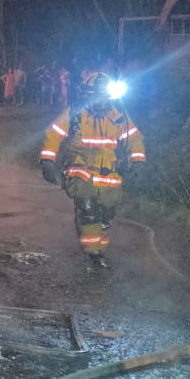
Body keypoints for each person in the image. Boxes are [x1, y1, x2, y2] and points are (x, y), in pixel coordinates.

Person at [40, 70, 145, 268]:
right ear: (87, 95)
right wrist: (47, 160)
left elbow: (134, 138)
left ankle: (95, 242)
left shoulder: (119, 115)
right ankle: (95, 255)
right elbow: (53, 133)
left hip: (109, 174)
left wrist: (137, 161)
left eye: (103, 96)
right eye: (95, 95)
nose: (100, 100)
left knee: (106, 217)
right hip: (81, 170)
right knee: (89, 212)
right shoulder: (75, 113)